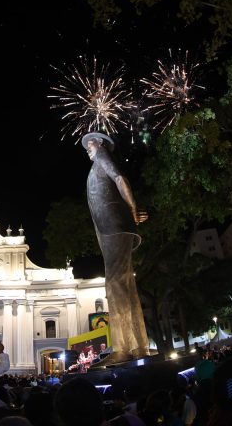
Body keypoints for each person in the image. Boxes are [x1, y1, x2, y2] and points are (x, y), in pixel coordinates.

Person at [82, 132, 150, 363]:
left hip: (114, 227)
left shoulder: (102, 156)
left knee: (115, 283)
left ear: (100, 143)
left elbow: (120, 178)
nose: (87, 147)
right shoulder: (97, 165)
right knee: (124, 283)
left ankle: (123, 348)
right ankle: (139, 346)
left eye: (91, 143)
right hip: (109, 229)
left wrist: (132, 209)